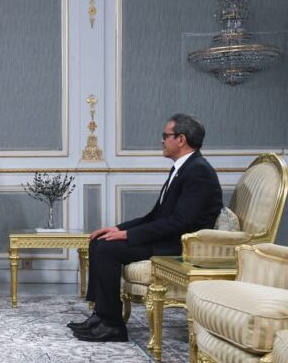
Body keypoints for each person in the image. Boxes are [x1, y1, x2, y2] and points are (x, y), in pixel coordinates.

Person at [69, 113, 222, 342]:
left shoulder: (198, 171)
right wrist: (117, 229)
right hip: (166, 237)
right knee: (99, 241)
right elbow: (155, 216)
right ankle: (101, 315)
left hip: (178, 245)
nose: (162, 140)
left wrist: (128, 235)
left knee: (107, 249)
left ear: (181, 139)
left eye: (165, 136)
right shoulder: (184, 168)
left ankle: (113, 326)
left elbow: (180, 222)